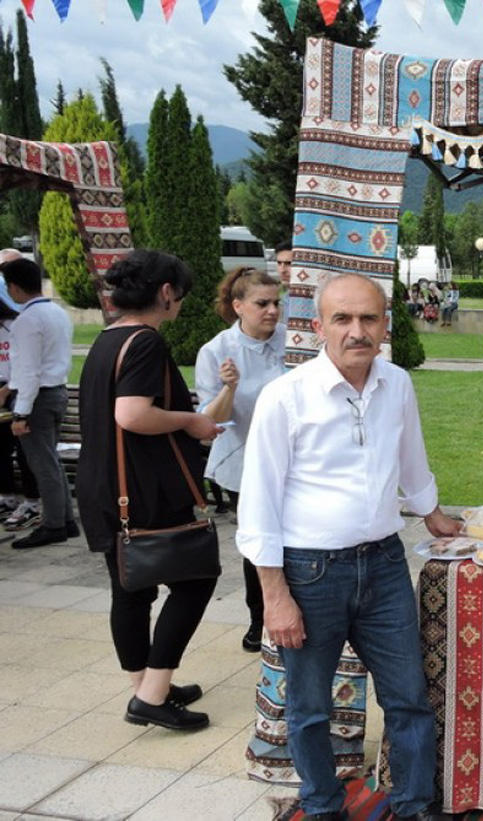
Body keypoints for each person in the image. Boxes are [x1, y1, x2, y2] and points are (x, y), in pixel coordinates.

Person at [237, 273, 459, 820]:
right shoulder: (284, 398)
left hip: (384, 564)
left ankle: (414, 807)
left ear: (386, 324)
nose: (357, 331)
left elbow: (411, 456)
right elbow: (258, 504)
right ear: (318, 327)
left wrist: (431, 513)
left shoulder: (397, 383)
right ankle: (323, 808)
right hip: (310, 573)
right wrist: (275, 595)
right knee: (309, 709)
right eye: (343, 319)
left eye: (369, 318)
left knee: (409, 699)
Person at [76, 249, 223, 731]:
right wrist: (192, 420)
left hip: (104, 487)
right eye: (179, 294)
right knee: (196, 579)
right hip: (142, 490)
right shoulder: (145, 343)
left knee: (131, 589)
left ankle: (144, 685)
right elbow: (132, 414)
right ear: (165, 293)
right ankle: (153, 695)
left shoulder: (106, 339)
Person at [195, 267, 285, 652]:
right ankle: (259, 619)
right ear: (238, 306)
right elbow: (209, 421)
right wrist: (229, 387)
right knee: (258, 541)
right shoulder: (217, 351)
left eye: (276, 302)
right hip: (245, 460)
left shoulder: (292, 342)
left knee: (295, 538)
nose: (272, 311)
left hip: (294, 459)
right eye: (262, 303)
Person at [1, 257, 77, 548]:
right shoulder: (56, 313)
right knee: (51, 461)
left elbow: (28, 371)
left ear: (15, 288)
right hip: (55, 391)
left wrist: (20, 413)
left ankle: (53, 524)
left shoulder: (27, 320)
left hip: (38, 397)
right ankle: (65, 520)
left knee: (42, 464)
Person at [0, 250, 39, 528]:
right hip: (7, 389)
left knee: (25, 451)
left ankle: (32, 501)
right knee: (1, 449)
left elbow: (25, 364)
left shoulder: (18, 322)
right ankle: (7, 496)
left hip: (16, 390)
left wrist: (7, 391)